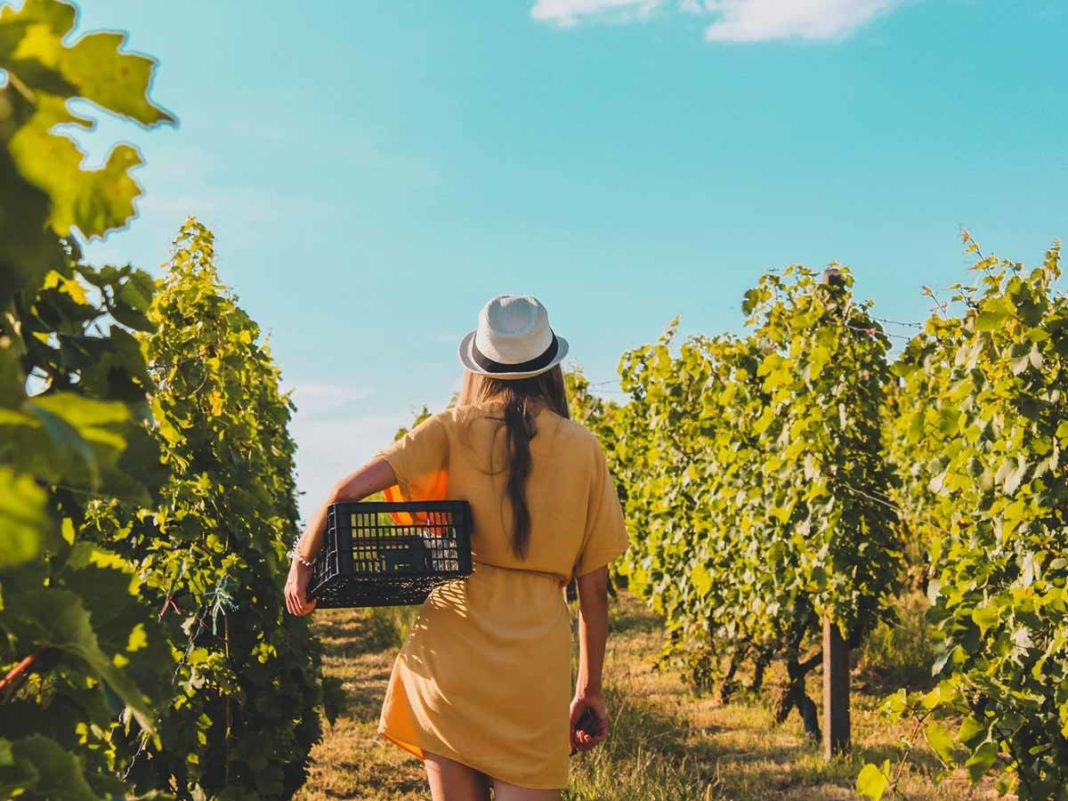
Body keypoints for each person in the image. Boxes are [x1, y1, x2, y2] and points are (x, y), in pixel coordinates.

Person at [284, 295, 630, 801]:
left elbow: (343, 493)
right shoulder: (584, 448)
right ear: (549, 365)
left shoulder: (450, 427)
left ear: (482, 365)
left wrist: (302, 564)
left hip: (451, 660)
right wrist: (587, 691)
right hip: (532, 673)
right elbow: (594, 594)